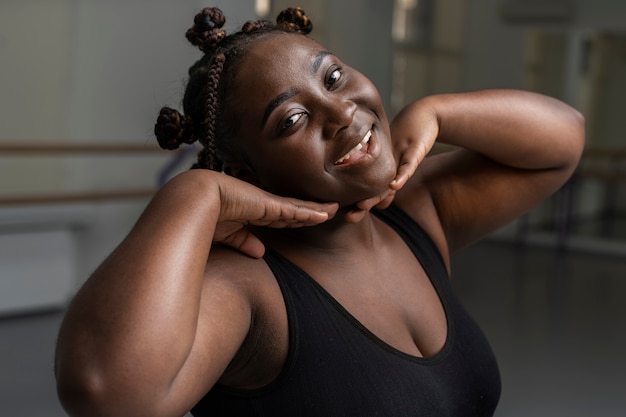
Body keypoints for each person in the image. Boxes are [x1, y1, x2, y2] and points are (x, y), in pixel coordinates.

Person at [54, 6, 585, 417]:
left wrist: (436, 111)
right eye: (291, 119)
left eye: (331, 78)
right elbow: (106, 393)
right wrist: (193, 195)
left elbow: (562, 140)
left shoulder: (413, 213)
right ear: (243, 176)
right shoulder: (246, 286)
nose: (341, 112)